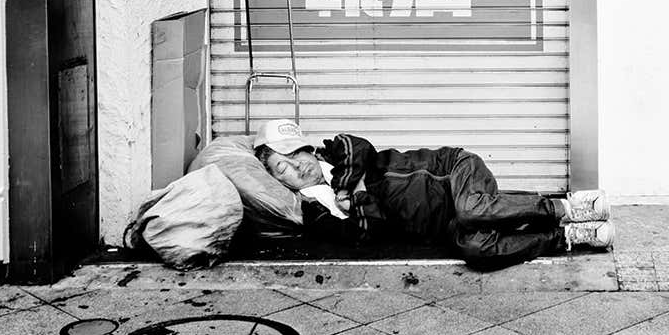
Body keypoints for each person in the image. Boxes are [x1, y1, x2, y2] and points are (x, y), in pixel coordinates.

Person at [253, 119, 614, 269]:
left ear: (308, 149)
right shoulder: (316, 211)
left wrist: (347, 189)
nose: (297, 166)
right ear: (278, 181)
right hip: (444, 225)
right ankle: (566, 237)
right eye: (282, 168)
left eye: (295, 154)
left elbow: (359, 147)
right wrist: (359, 199)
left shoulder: (339, 151)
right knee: (476, 249)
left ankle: (567, 206)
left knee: (472, 208)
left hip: (454, 170)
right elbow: (365, 231)